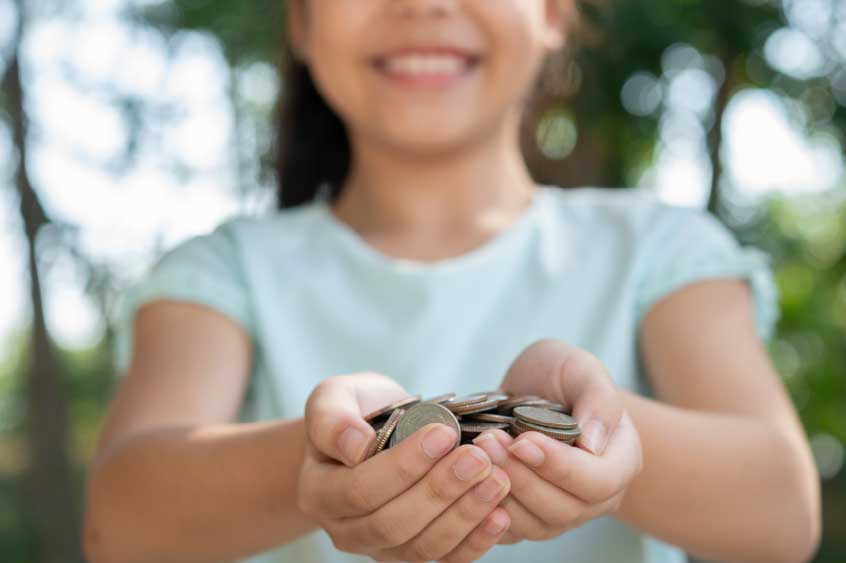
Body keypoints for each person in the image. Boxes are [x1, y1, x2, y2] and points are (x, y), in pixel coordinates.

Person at [82, 1, 822, 562]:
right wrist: (320, 460)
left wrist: (591, 429)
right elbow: (118, 519)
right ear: (300, 22)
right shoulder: (224, 269)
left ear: (555, 12)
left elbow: (783, 510)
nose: (422, 5)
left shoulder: (661, 247)